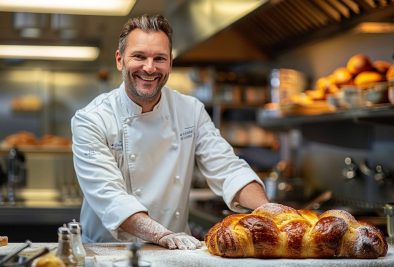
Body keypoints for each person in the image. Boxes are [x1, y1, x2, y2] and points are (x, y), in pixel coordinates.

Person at [71, 14, 269, 249]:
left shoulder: (190, 111)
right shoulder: (92, 119)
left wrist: (267, 209)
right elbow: (110, 197)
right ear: (119, 59)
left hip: (176, 250)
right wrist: (163, 235)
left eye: (160, 58)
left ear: (170, 64)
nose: (149, 67)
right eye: (139, 56)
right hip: (109, 252)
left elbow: (227, 168)